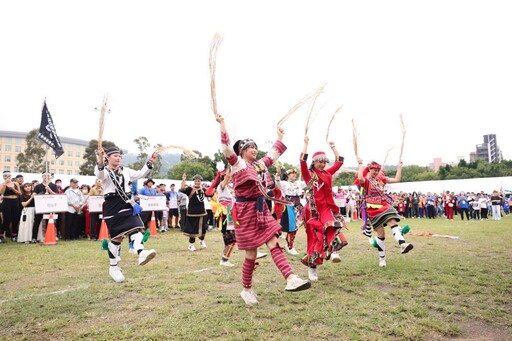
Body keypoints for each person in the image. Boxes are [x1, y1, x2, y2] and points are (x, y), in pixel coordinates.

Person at [215, 113, 311, 305]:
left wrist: (280, 137)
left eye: (256, 147)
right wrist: (222, 124)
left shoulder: (260, 164)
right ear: (242, 151)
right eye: (251, 147)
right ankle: (247, 289)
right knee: (250, 255)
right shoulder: (237, 164)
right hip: (245, 212)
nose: (255, 150)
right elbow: (226, 147)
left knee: (274, 242)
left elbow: (273, 153)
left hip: (261, 209)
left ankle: (290, 278)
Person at [95, 146, 157, 283]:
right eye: (115, 156)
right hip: (112, 205)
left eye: (119, 156)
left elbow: (140, 174)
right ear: (108, 157)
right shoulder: (104, 171)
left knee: (136, 227)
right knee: (117, 237)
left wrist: (150, 161)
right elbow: (99, 174)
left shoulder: (126, 171)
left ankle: (141, 253)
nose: (118, 158)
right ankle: (113, 267)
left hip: (127, 203)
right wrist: (100, 158)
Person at [300, 136, 348, 281]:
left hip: (326, 208)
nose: (322, 164)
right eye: (319, 162)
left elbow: (339, 161)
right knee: (315, 238)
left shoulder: (327, 174)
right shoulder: (309, 175)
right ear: (313, 163)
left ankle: (333, 251)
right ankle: (312, 268)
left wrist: (333, 147)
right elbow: (302, 161)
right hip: (313, 211)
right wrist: (306, 144)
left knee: (332, 225)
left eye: (323, 162)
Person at [356, 159, 413, 267]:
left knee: (392, 220)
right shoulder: (366, 181)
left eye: (378, 170)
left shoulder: (381, 179)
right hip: (372, 208)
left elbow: (397, 179)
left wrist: (399, 167)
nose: (376, 172)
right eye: (374, 170)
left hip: (384, 205)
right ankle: (382, 258)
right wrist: (360, 165)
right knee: (381, 233)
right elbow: (360, 178)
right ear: (369, 169)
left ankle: (402, 243)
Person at [277, 168, 303, 255]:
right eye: (292, 174)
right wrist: (278, 174)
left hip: (297, 206)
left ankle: (289, 245)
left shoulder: (298, 183)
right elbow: (277, 185)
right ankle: (290, 246)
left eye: (295, 173)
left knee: (295, 227)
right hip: (288, 205)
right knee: (291, 227)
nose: (294, 175)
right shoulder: (284, 183)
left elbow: (308, 182)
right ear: (288, 175)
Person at [180, 174, 208, 251]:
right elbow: (182, 189)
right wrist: (183, 180)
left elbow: (210, 193)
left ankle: (202, 241)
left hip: (202, 212)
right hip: (192, 213)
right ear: (194, 181)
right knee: (192, 229)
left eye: (199, 181)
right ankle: (191, 245)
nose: (197, 182)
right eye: (196, 181)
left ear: (201, 182)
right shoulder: (190, 189)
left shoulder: (203, 190)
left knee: (203, 228)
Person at [0, 171, 22, 242]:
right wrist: (5, 184)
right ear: (3, 177)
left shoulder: (15, 183)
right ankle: (1, 235)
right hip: (6, 201)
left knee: (15, 219)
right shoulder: (2, 184)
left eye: (8, 175)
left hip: (15, 201)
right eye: (5, 176)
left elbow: (20, 193)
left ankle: (14, 235)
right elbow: (1, 193)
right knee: (6, 219)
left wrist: (13, 189)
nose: (7, 177)